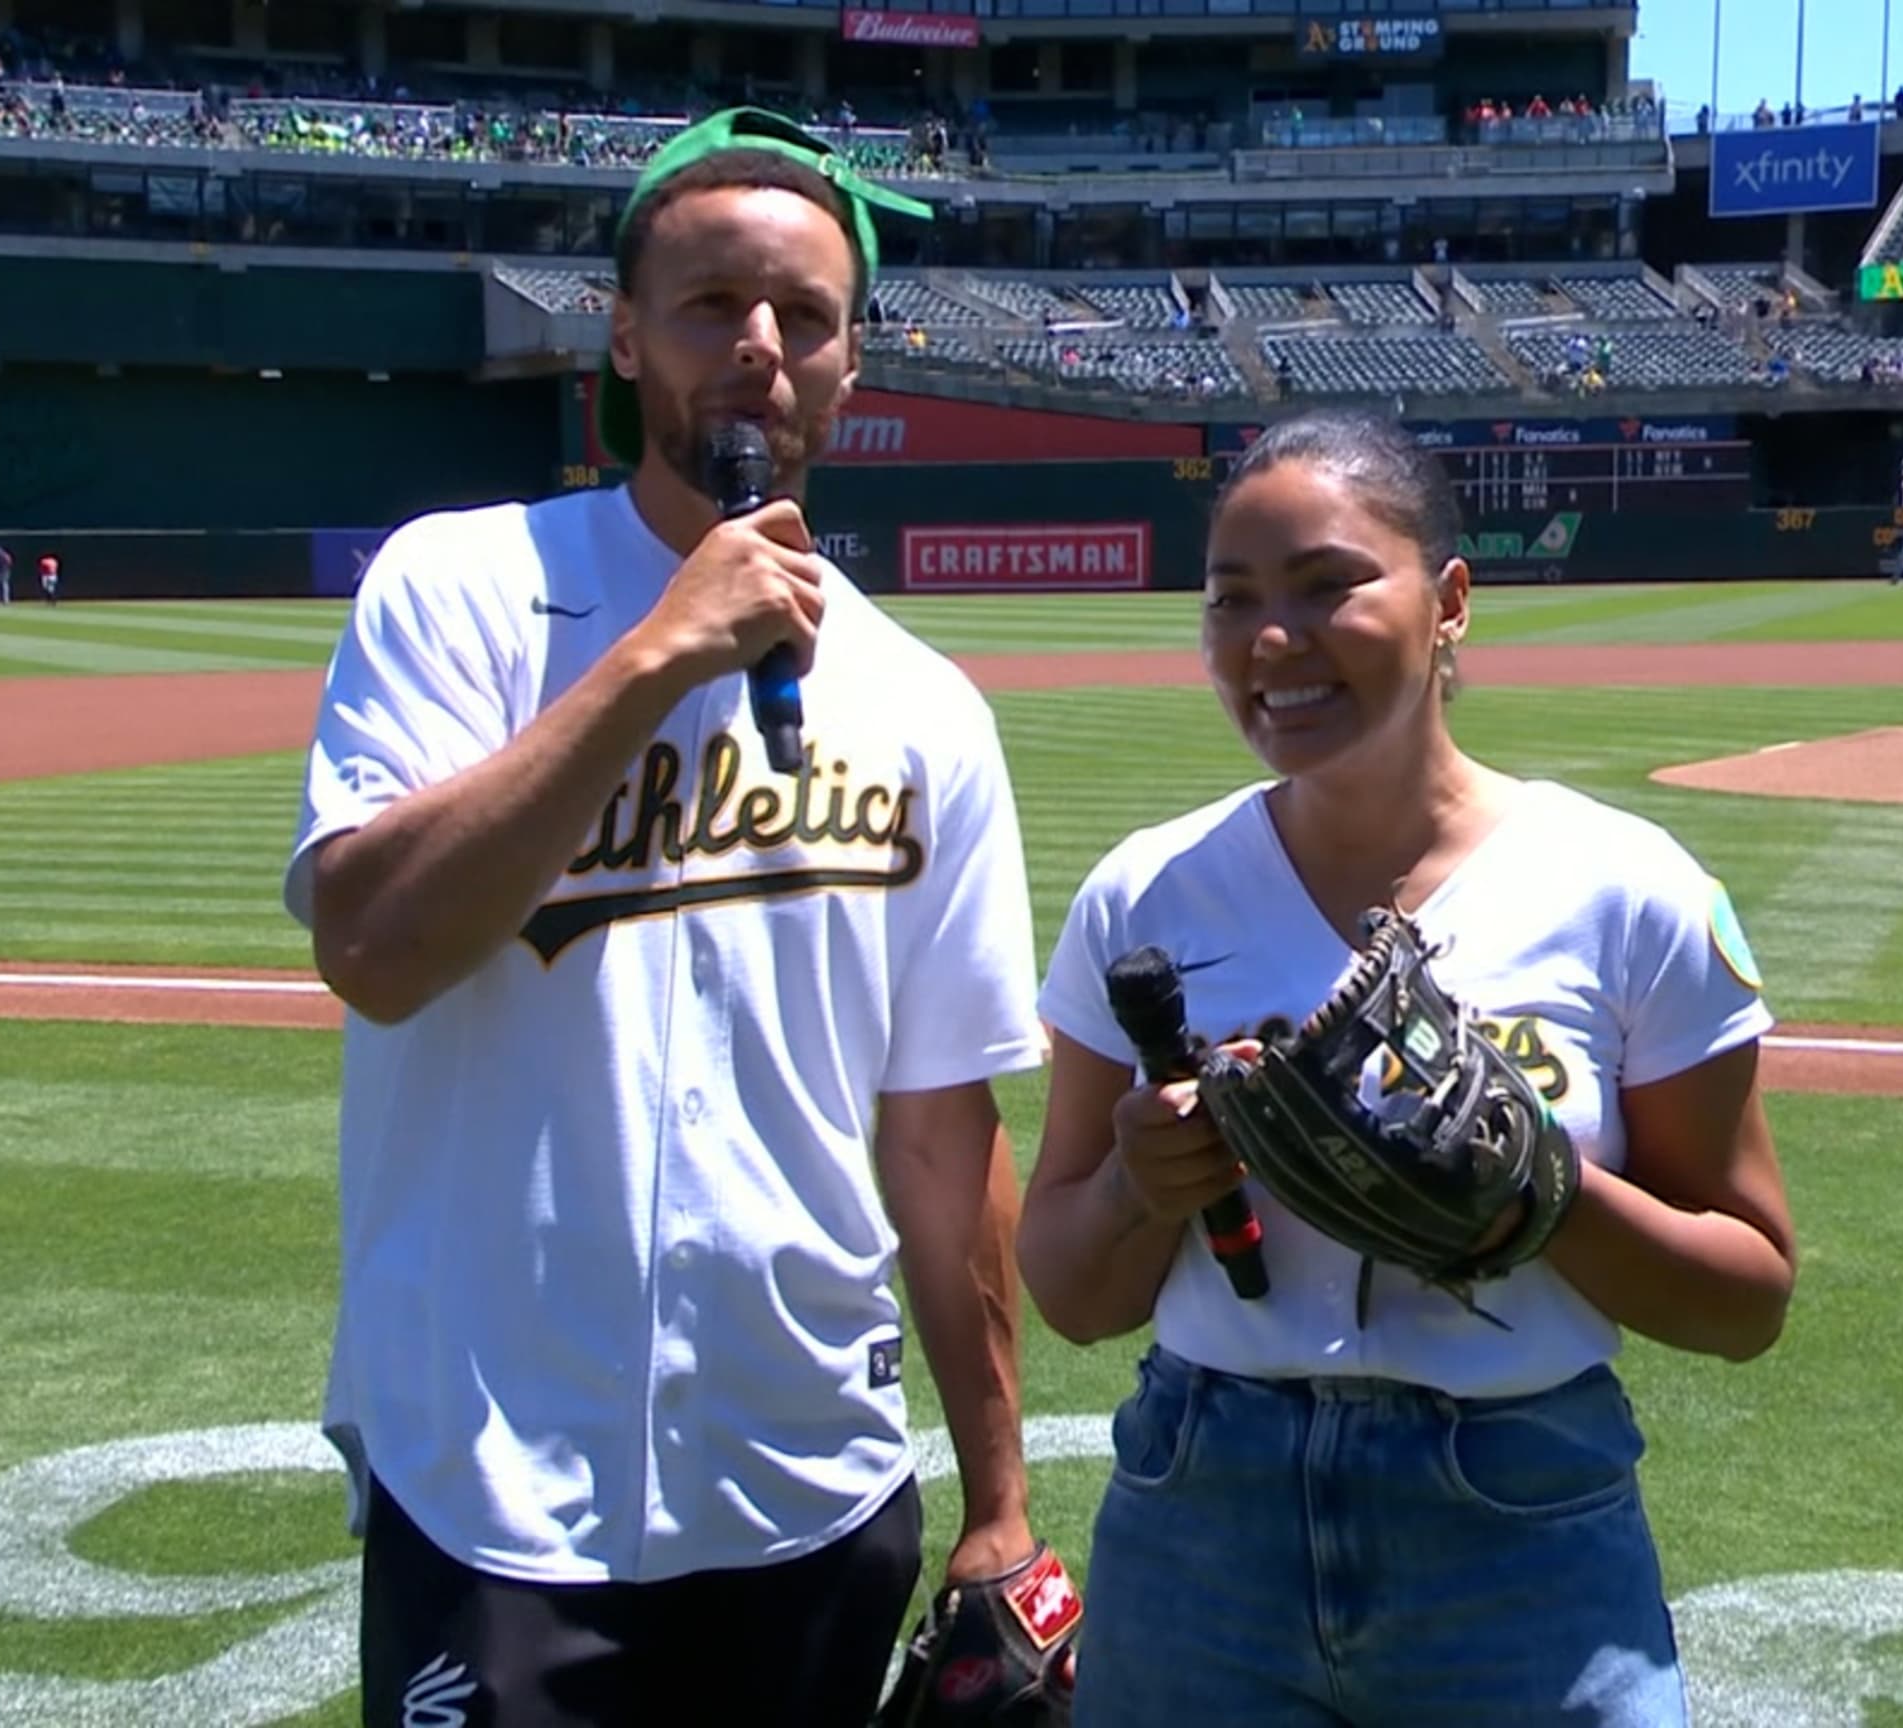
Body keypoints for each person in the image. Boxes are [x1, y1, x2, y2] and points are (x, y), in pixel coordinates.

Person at [282, 106, 1056, 1728]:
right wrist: (657, 653)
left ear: (853, 363)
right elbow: (377, 944)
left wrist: (996, 1494)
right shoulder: (461, 590)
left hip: (810, 1492)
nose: (758, 346)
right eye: (709, 303)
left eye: (805, 315)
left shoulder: (925, 707)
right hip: (499, 1495)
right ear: (623, 334)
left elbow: (938, 1129)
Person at [1015, 407, 1799, 1728]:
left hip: (1517, 1521)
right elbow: (1072, 1293)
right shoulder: (1142, 891)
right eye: (1234, 600)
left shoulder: (1624, 890)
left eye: (1329, 587)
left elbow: (1747, 1299)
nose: (1274, 641)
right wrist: (1142, 1186)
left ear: (1448, 602)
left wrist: (1535, 1190)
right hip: (1200, 1514)